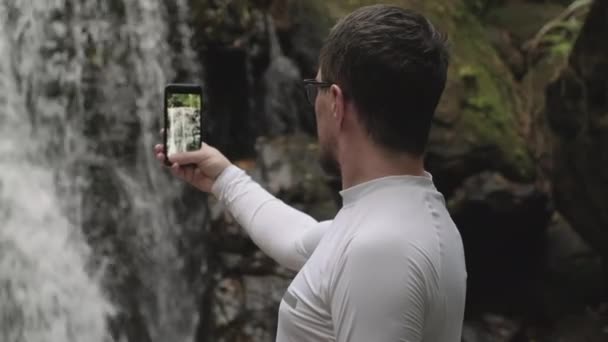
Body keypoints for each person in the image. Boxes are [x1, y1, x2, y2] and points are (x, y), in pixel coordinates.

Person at [155, 4, 466, 341]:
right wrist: (224, 178)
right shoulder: (403, 214)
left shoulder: (379, 249)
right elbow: (300, 241)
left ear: (335, 101)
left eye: (314, 88)